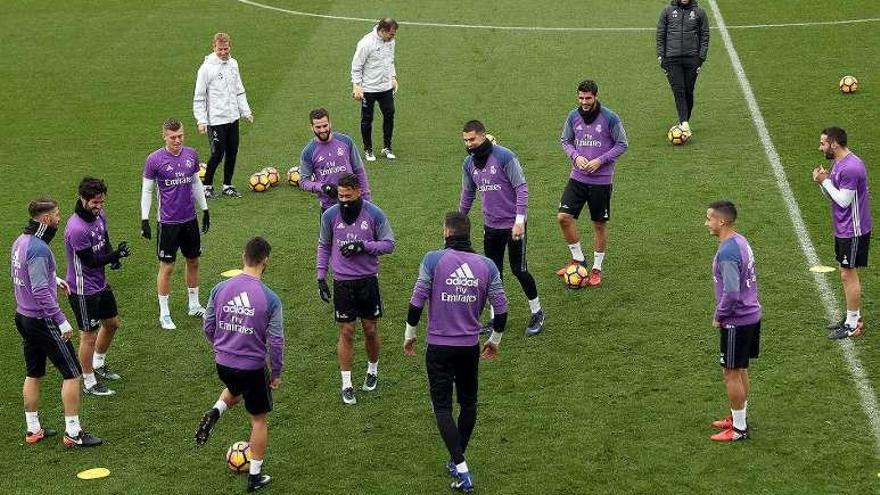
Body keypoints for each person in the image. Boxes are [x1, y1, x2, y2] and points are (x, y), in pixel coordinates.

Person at [404, 212, 508, 492]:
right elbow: (501, 308)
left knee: (442, 407)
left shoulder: (433, 260)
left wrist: (410, 335)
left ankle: (461, 467)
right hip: (468, 348)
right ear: (468, 233)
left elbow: (416, 301)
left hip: (438, 347)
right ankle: (457, 456)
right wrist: (495, 340)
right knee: (469, 403)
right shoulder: (487, 266)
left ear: (446, 232)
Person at [12, 197, 103, 447]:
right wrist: (61, 320)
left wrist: (55, 279)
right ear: (45, 219)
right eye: (56, 214)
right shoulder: (40, 249)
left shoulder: (21, 242)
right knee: (72, 374)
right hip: (42, 320)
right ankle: (73, 433)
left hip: (23, 317)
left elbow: (27, 278)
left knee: (33, 373)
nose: (59, 218)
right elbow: (40, 291)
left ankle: (33, 430)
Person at [196, 237, 282, 493]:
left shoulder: (219, 288)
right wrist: (275, 373)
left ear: (243, 256)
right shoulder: (270, 298)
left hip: (223, 362)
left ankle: (215, 412)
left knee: (234, 388)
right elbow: (276, 342)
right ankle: (255, 476)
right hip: (252, 367)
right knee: (259, 420)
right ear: (265, 261)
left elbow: (208, 326)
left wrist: (222, 345)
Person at [459, 120, 544, 336]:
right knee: (493, 274)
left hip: (514, 226)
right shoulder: (469, 163)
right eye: (465, 140)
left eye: (472, 139)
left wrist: (519, 221)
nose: (469, 144)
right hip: (491, 227)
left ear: (483, 136)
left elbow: (521, 187)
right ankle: (496, 318)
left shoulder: (505, 156)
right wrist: (460, 220)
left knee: (519, 270)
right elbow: (468, 193)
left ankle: (537, 312)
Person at [316, 173, 395, 404]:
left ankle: (372, 370)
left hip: (368, 280)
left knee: (370, 329)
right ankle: (347, 383)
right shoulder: (330, 215)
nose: (344, 201)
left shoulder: (374, 214)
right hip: (342, 282)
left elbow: (389, 244)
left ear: (359, 191)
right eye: (340, 196)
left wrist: (363, 246)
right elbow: (324, 245)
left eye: (348, 196)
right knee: (346, 332)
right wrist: (321, 276)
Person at [141, 118, 211, 330]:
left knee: (193, 261)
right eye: (173, 137)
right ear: (164, 136)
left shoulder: (191, 154)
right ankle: (164, 312)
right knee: (167, 267)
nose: (177, 140)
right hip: (168, 223)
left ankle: (194, 305)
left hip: (190, 219)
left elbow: (196, 182)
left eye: (180, 135)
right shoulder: (154, 160)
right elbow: (147, 190)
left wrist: (205, 209)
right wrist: (145, 219)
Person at [557, 80, 629, 287]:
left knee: (598, 225)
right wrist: (575, 156)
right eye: (581, 98)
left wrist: (600, 160)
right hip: (577, 178)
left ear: (596, 96)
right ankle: (578, 258)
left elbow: (622, 144)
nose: (584, 102)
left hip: (601, 181)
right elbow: (565, 141)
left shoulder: (610, 118)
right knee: (563, 217)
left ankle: (596, 268)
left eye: (588, 98)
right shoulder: (573, 116)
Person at [64, 177, 131, 397]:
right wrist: (115, 254)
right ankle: (89, 380)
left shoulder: (99, 214)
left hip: (100, 284)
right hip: (83, 290)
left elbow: (104, 238)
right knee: (89, 335)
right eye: (95, 202)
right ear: (83, 198)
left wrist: (113, 258)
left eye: (101, 202)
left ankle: (98, 362)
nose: (99, 207)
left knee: (112, 324)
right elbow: (90, 261)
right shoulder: (76, 228)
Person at [704, 201, 761, 442]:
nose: (706, 223)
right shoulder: (740, 240)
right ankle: (739, 417)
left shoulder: (728, 251)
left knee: (730, 372)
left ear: (722, 221)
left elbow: (732, 292)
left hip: (737, 320)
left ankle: (738, 429)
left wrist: (720, 315)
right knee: (740, 368)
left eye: (709, 218)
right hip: (751, 315)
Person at [812, 127, 872, 339]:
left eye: (823, 143)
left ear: (834, 143)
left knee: (848, 273)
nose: (821, 147)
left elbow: (844, 201)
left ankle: (853, 323)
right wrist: (823, 182)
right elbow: (833, 196)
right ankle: (852, 317)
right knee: (845, 272)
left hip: (853, 229)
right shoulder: (838, 163)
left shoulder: (851, 167)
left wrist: (824, 181)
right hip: (844, 227)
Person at [193, 32, 254, 199]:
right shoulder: (206, 69)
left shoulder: (233, 64)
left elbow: (239, 90)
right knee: (217, 154)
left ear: (230, 47)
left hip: (232, 118)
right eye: (220, 49)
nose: (223, 52)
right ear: (214, 47)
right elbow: (199, 97)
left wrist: (245, 111)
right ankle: (207, 186)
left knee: (232, 151)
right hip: (216, 120)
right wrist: (201, 120)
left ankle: (228, 185)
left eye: (226, 49)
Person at [299, 108, 372, 213]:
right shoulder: (308, 152)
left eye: (325, 126)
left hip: (353, 201)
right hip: (329, 208)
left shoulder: (346, 141)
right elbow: (303, 181)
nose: (322, 130)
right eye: (318, 127)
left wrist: (366, 199)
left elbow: (359, 170)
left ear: (330, 123)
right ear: (312, 127)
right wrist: (322, 187)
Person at [656, 0, 710, 136]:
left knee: (688, 92)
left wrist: (701, 58)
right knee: (679, 90)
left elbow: (705, 35)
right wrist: (661, 57)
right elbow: (660, 34)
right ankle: (684, 123)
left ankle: (684, 122)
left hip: (692, 59)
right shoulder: (667, 11)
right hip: (672, 59)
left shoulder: (700, 13)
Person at [351, 17, 399, 162]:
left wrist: (393, 77)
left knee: (389, 114)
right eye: (391, 34)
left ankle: (387, 147)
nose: (393, 37)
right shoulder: (366, 43)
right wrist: (357, 85)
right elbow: (356, 65)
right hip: (369, 89)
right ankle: (368, 149)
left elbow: (390, 60)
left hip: (385, 87)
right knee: (367, 119)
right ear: (382, 31)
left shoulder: (390, 42)